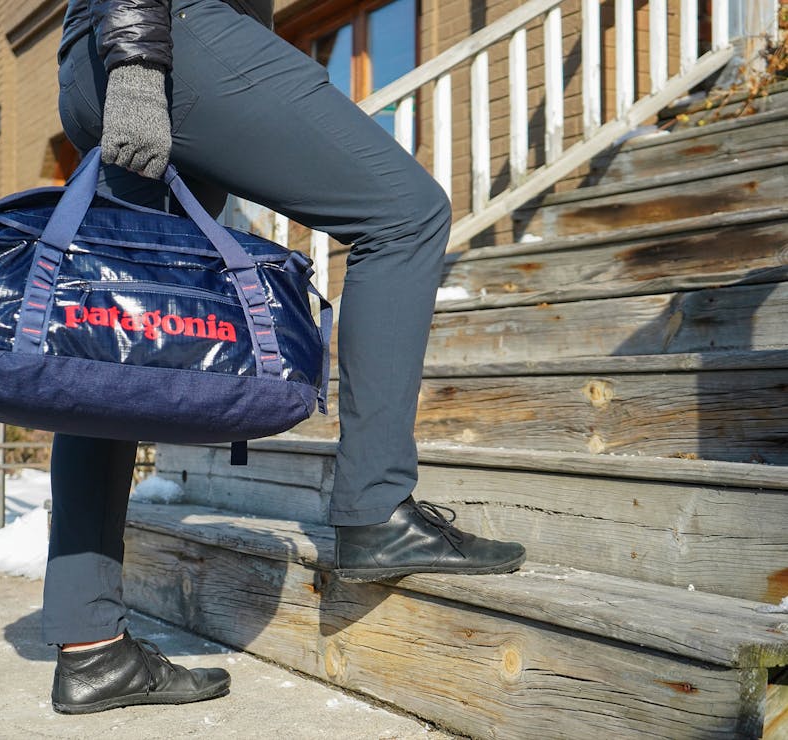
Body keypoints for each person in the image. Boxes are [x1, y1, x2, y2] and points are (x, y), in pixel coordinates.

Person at [45, 0, 526, 715]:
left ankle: (90, 649)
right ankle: (376, 508)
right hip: (163, 30)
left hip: (102, 44)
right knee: (405, 213)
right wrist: (142, 65)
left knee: (112, 340)